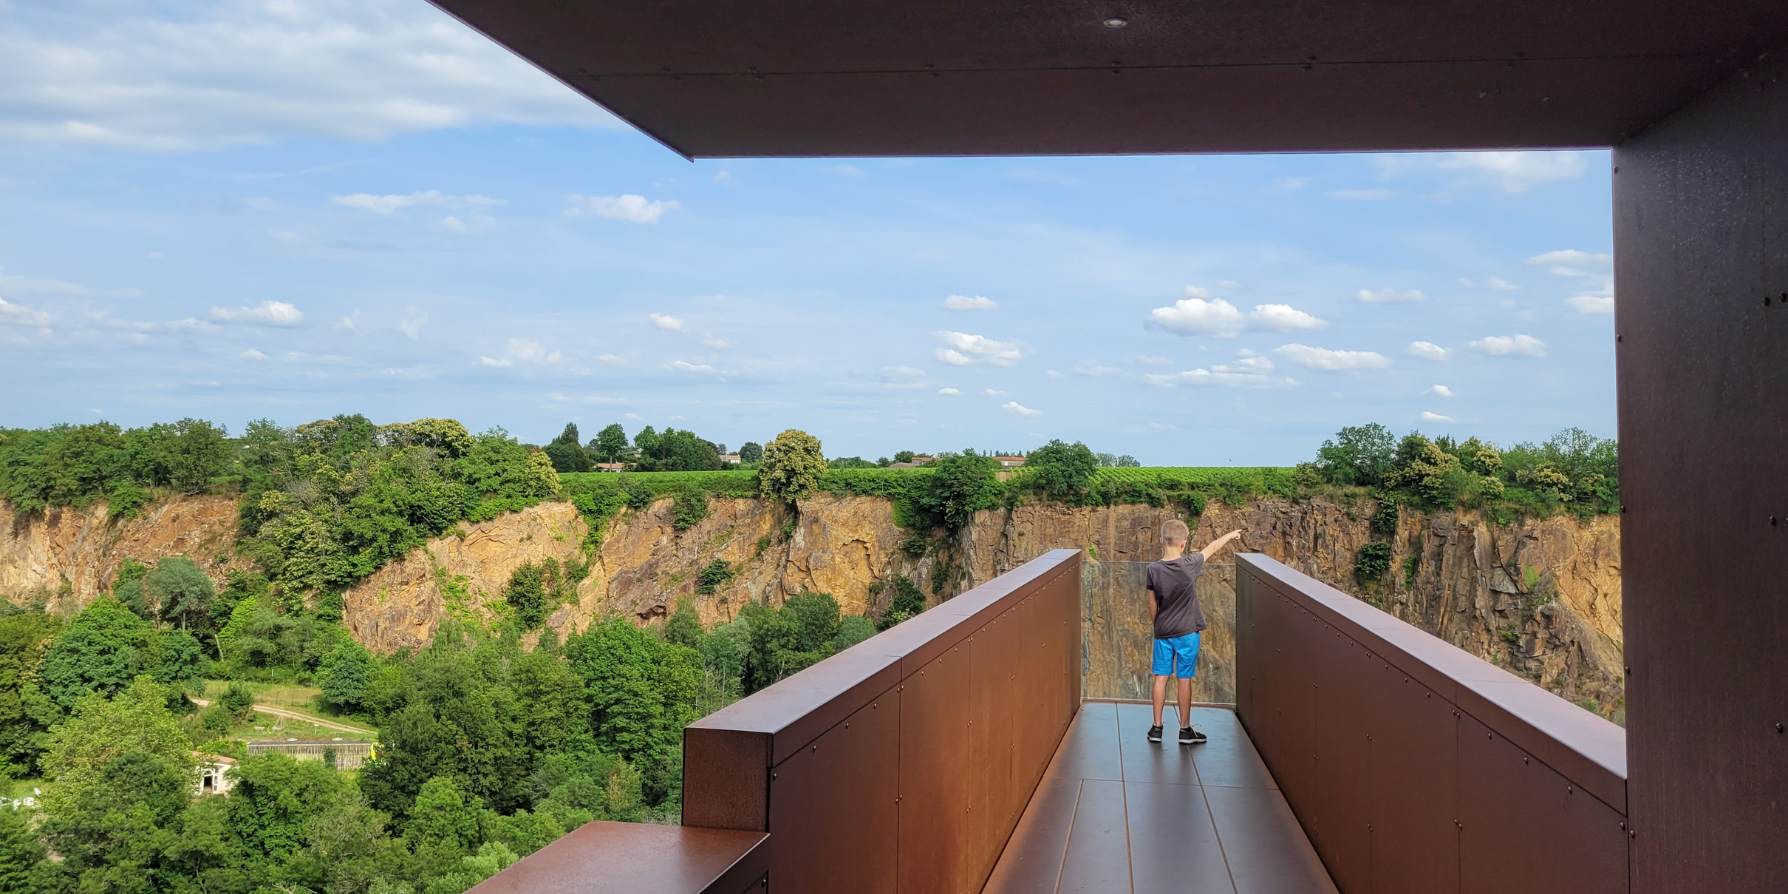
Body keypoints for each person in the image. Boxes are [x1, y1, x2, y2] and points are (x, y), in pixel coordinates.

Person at [1146, 519, 1244, 745]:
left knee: (1160, 677)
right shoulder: (1190, 563)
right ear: (1183, 543)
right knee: (1184, 679)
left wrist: (1157, 625)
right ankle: (1185, 729)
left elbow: (1152, 604)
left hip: (1163, 632)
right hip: (1188, 631)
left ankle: (1156, 728)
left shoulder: (1153, 570)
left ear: (1161, 541)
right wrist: (1230, 535)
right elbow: (1211, 547)